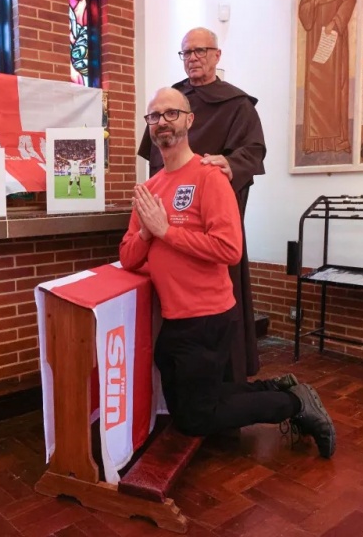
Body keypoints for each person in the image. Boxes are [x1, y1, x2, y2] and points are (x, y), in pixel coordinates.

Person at [121, 87, 336, 458]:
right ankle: (279, 388)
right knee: (190, 402)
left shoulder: (209, 177)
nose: (161, 122)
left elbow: (228, 248)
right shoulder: (150, 190)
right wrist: (146, 231)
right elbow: (128, 257)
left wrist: (166, 231)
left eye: (171, 113)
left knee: (196, 417)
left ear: (189, 120)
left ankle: (295, 405)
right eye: (154, 116)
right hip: (174, 319)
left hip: (207, 318)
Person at [138, 27, 266, 383]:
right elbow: (156, 159)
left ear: (216, 55)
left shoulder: (237, 104)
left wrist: (231, 163)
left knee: (220, 293)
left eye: (200, 51)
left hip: (207, 219)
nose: (193, 58)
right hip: (168, 218)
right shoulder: (170, 103)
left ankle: (228, 379)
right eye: (186, 52)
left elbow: (253, 152)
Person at [298, 0, 356, 154]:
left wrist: (336, 21)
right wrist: (314, 1)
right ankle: (314, 143)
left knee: (336, 85)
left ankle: (338, 140)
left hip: (334, 34)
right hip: (316, 35)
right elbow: (303, 11)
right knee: (316, 89)